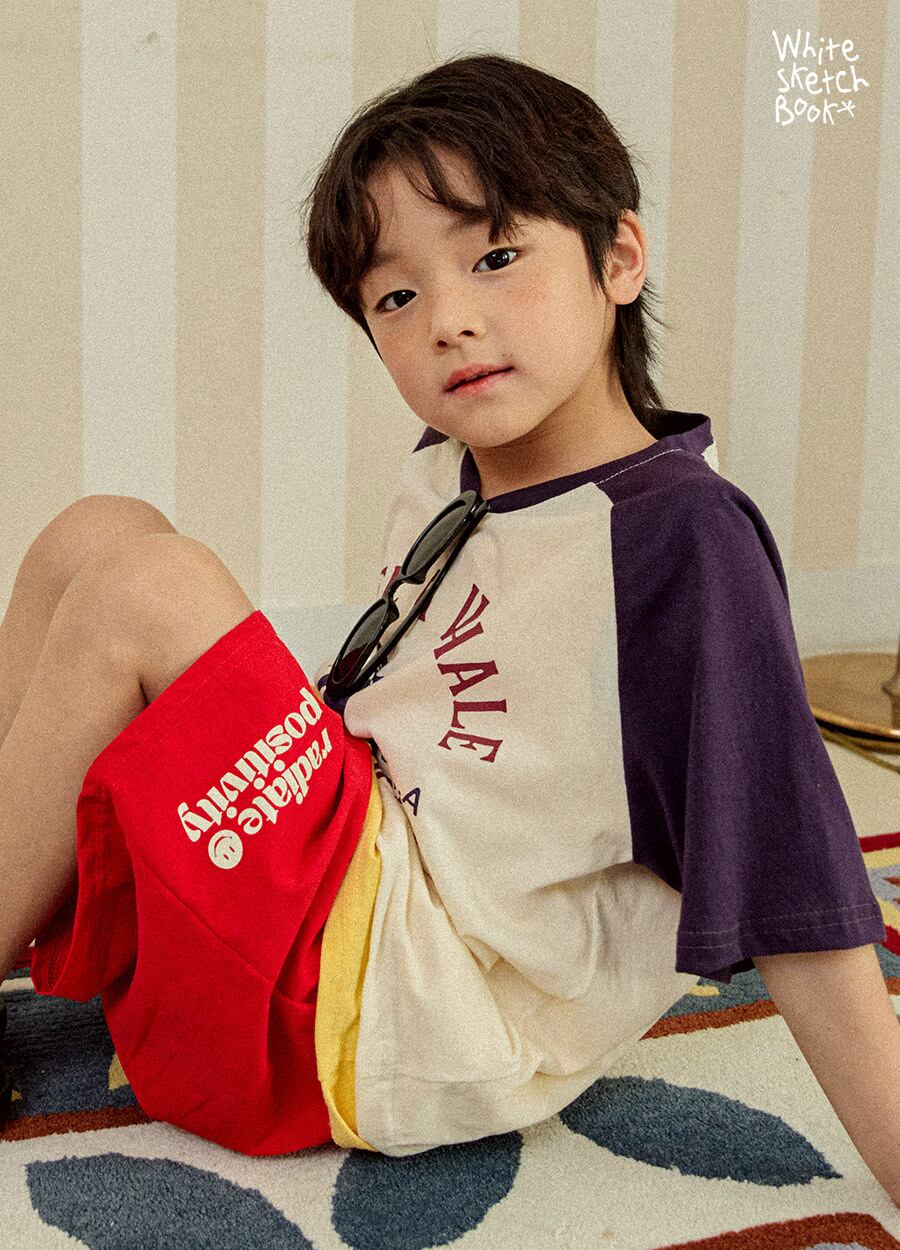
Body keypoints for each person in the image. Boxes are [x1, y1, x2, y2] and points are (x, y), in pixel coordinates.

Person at [1, 52, 896, 1197]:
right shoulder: (462, 464)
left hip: (405, 1010)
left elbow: (791, 871)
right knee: (97, 532)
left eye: (497, 257)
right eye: (396, 297)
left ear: (619, 258)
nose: (449, 321)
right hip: (352, 878)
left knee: (150, 586)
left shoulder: (681, 545)